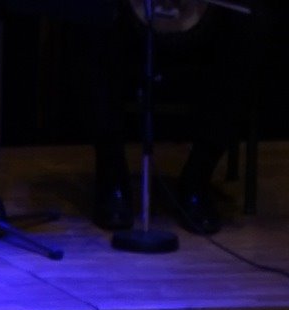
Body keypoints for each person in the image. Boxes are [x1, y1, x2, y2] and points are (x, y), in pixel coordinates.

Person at [83, 0, 257, 238]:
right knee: (91, 20)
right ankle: (112, 177)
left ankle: (197, 179)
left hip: (201, 20)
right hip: (130, 21)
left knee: (248, 26)